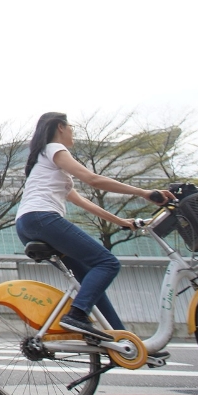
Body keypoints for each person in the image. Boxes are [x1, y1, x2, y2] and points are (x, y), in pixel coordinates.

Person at [16, 112, 175, 339]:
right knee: (107, 263)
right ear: (60, 127)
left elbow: (86, 203)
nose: (72, 131)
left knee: (90, 278)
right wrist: (144, 192)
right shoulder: (54, 149)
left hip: (28, 224)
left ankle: (123, 341)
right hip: (41, 219)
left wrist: (122, 222)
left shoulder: (47, 168)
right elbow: (93, 180)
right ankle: (77, 315)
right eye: (70, 126)